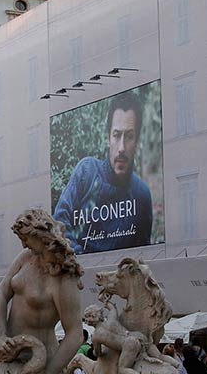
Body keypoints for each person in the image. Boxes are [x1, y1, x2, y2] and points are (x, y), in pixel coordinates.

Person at [0, 209, 85, 374]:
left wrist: (49, 372)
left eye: (25, 239)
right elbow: (0, 295)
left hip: (41, 362)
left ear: (40, 236)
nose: (23, 244)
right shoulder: (25, 257)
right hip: (9, 355)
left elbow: (74, 332)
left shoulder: (64, 277)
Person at [52, 92, 154, 254]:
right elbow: (58, 223)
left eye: (129, 136)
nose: (121, 147)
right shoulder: (86, 171)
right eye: (116, 135)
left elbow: (143, 256)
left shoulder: (142, 195)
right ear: (108, 138)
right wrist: (82, 260)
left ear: (137, 142)